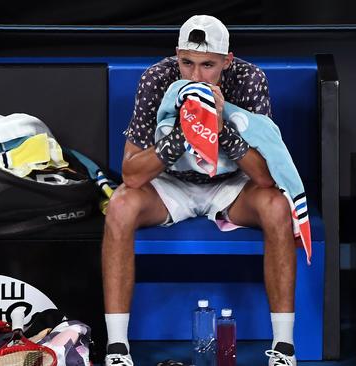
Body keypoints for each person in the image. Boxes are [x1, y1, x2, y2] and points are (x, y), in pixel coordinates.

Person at [102, 15, 300, 366]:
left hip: (230, 188)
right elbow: (131, 174)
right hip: (170, 185)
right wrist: (183, 133)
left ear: (227, 61)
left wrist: (221, 129)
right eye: (187, 63)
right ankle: (117, 348)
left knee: (276, 206)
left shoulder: (250, 80)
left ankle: (283, 347)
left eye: (208, 65)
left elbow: (266, 177)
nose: (195, 76)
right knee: (119, 205)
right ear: (176, 56)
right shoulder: (157, 79)